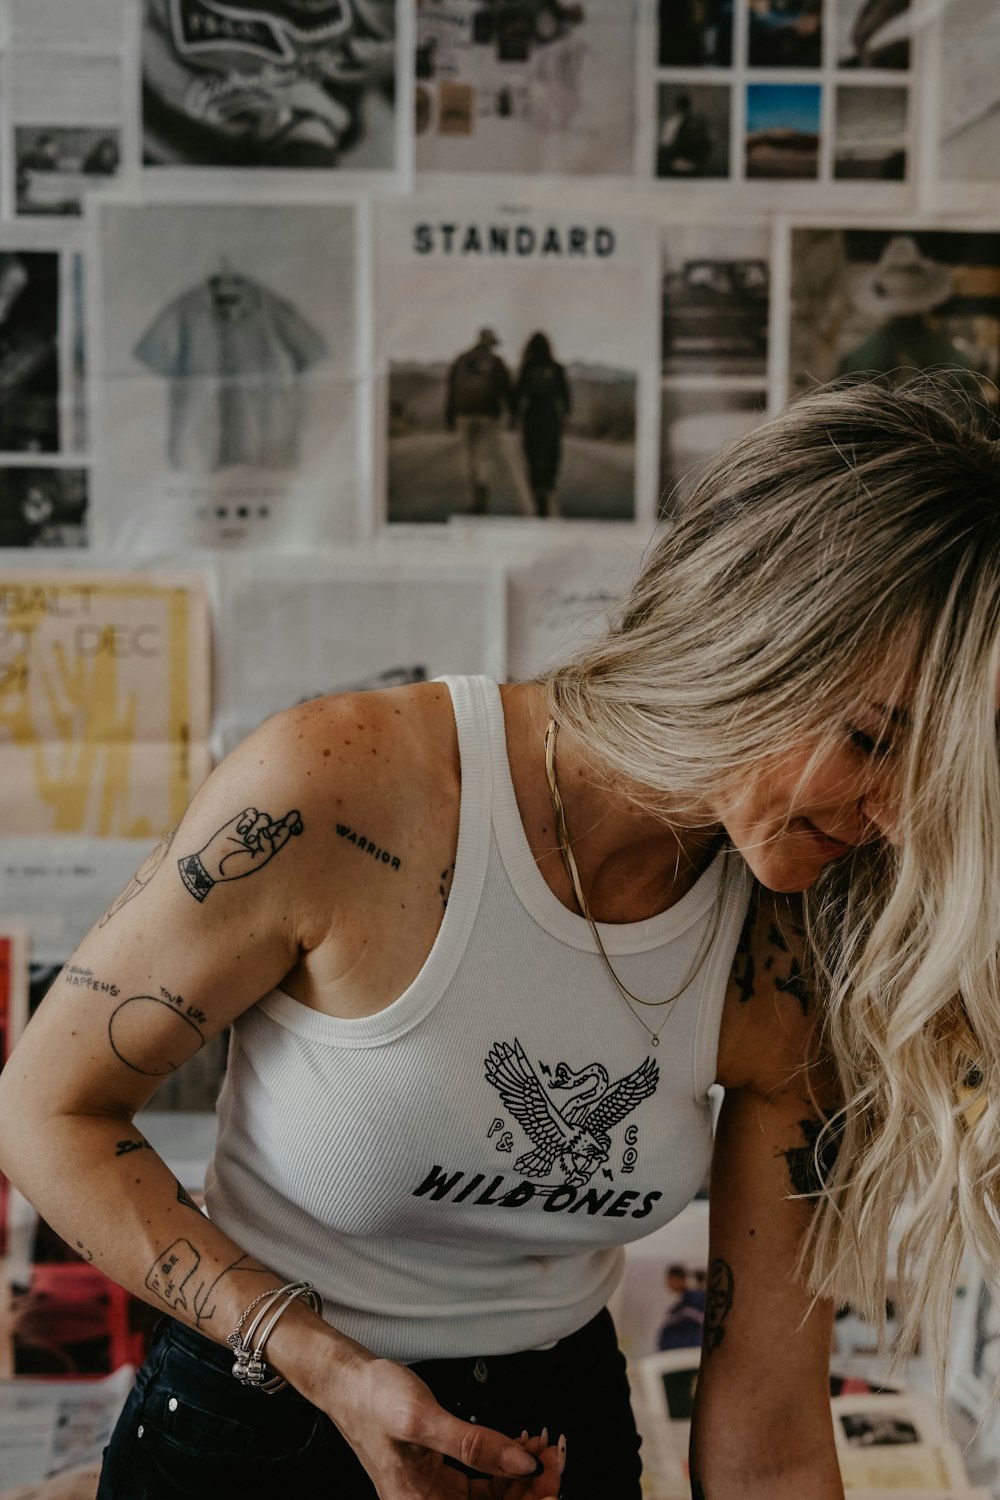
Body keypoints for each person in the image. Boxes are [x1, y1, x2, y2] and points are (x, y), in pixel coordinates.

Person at [2, 372, 1000, 1500]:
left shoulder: (802, 933)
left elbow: (767, 1429)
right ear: (750, 632)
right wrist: (319, 1361)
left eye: (938, 778)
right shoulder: (345, 790)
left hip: (551, 1442)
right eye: (872, 738)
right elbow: (48, 1110)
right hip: (259, 1404)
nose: (899, 818)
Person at [445, 329, 534, 516]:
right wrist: (513, 415)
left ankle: (472, 497)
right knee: (486, 455)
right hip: (488, 414)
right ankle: (482, 488)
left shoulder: (461, 359)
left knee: (469, 455)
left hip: (464, 413)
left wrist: (449, 416)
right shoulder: (497, 362)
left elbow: (451, 388)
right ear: (491, 343)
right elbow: (508, 390)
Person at [512, 332, 571, 517]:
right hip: (551, 415)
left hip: (532, 415)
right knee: (552, 451)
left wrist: (514, 417)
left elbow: (518, 394)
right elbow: (565, 395)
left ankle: (537, 490)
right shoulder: (557, 368)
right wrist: (566, 415)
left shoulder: (527, 367)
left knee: (532, 453)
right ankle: (548, 484)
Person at [656, 1264, 704, 1351]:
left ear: (679, 1279)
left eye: (670, 1280)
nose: (668, 1284)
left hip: (686, 1353)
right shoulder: (681, 1304)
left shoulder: (695, 1301)